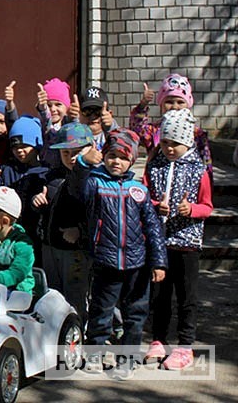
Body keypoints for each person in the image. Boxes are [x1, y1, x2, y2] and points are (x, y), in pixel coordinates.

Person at [71, 129, 167, 379]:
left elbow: (153, 228)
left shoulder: (139, 190)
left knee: (136, 313)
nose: (116, 161)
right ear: (103, 156)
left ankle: (127, 360)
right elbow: (76, 191)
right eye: (111, 155)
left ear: (132, 161)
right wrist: (82, 163)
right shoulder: (95, 182)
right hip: (106, 260)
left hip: (138, 263)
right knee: (101, 310)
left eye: (123, 157)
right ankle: (94, 354)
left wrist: (159, 262)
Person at [142, 109, 213, 370]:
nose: (169, 148)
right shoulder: (154, 165)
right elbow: (143, 195)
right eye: (165, 142)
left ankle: (185, 344)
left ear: (187, 142)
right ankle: (158, 339)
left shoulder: (199, 170)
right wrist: (154, 205)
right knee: (159, 294)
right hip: (160, 242)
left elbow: (207, 206)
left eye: (175, 143)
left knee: (186, 296)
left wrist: (190, 210)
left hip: (187, 244)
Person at [31, 122, 94, 324]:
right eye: (65, 153)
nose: (71, 158)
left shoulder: (94, 179)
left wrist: (81, 232)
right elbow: (47, 209)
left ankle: (78, 337)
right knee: (52, 296)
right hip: (50, 246)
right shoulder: (53, 177)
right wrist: (37, 204)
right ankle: (56, 336)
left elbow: (99, 215)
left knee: (75, 298)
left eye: (77, 152)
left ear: (92, 149)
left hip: (76, 251)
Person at [0, 115, 50, 263]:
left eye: (24, 146)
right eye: (15, 147)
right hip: (8, 237)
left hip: (34, 237)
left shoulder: (45, 173)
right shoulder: (6, 170)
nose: (20, 151)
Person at [129, 73, 213, 181]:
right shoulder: (154, 131)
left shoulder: (196, 133)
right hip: (158, 184)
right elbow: (136, 130)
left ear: (188, 105)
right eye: (169, 102)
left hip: (188, 188)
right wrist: (142, 105)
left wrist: (206, 191)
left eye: (180, 102)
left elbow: (206, 164)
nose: (174, 106)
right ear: (161, 104)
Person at [35, 77, 78, 169]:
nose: (53, 109)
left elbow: (75, 130)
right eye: (49, 105)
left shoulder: (69, 123)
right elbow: (46, 121)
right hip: (48, 171)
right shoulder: (46, 127)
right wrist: (43, 108)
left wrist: (74, 118)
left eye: (58, 104)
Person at [78, 85, 118, 150]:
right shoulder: (74, 136)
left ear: (109, 114)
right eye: (87, 111)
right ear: (79, 114)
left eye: (98, 112)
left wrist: (111, 126)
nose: (93, 116)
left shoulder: (114, 136)